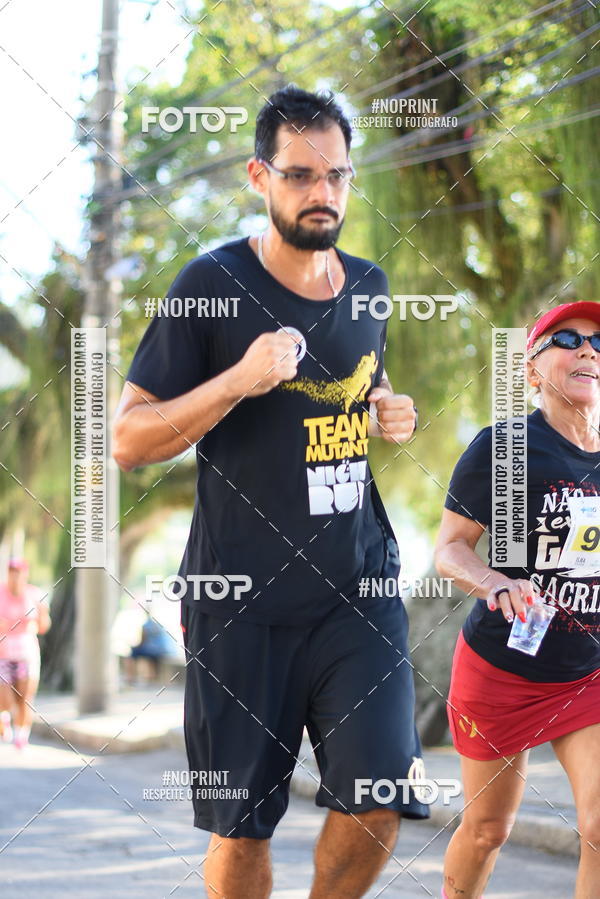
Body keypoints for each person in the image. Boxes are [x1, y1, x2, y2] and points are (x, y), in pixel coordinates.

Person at [113, 85, 428, 898]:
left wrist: (387, 406)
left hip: (357, 594)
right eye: (300, 175)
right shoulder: (211, 282)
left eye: (337, 175)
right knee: (242, 826)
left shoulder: (370, 285)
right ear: (260, 177)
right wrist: (237, 381)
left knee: (380, 799)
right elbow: (128, 440)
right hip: (240, 605)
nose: (323, 192)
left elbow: (362, 377)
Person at [435, 300, 600, 898]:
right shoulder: (505, 447)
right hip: (502, 668)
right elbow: (451, 549)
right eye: (568, 340)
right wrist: (496, 583)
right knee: (487, 830)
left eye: (598, 343)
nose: (588, 350)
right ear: (531, 369)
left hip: (586, 670)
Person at [0, 557, 51, 749]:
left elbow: (44, 626)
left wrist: (42, 616)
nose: (16, 577)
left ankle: (21, 737)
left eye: (19, 573)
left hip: (27, 653)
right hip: (3, 654)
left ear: (25, 574)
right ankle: (4, 718)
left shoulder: (35, 595)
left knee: (25, 698)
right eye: (12, 573)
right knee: (5, 698)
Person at [125, 611, 173, 683]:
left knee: (133, 652)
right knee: (147, 653)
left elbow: (142, 641)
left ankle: (131, 677)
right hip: (163, 650)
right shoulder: (160, 625)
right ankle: (151, 676)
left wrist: (133, 647)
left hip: (153, 651)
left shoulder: (146, 625)